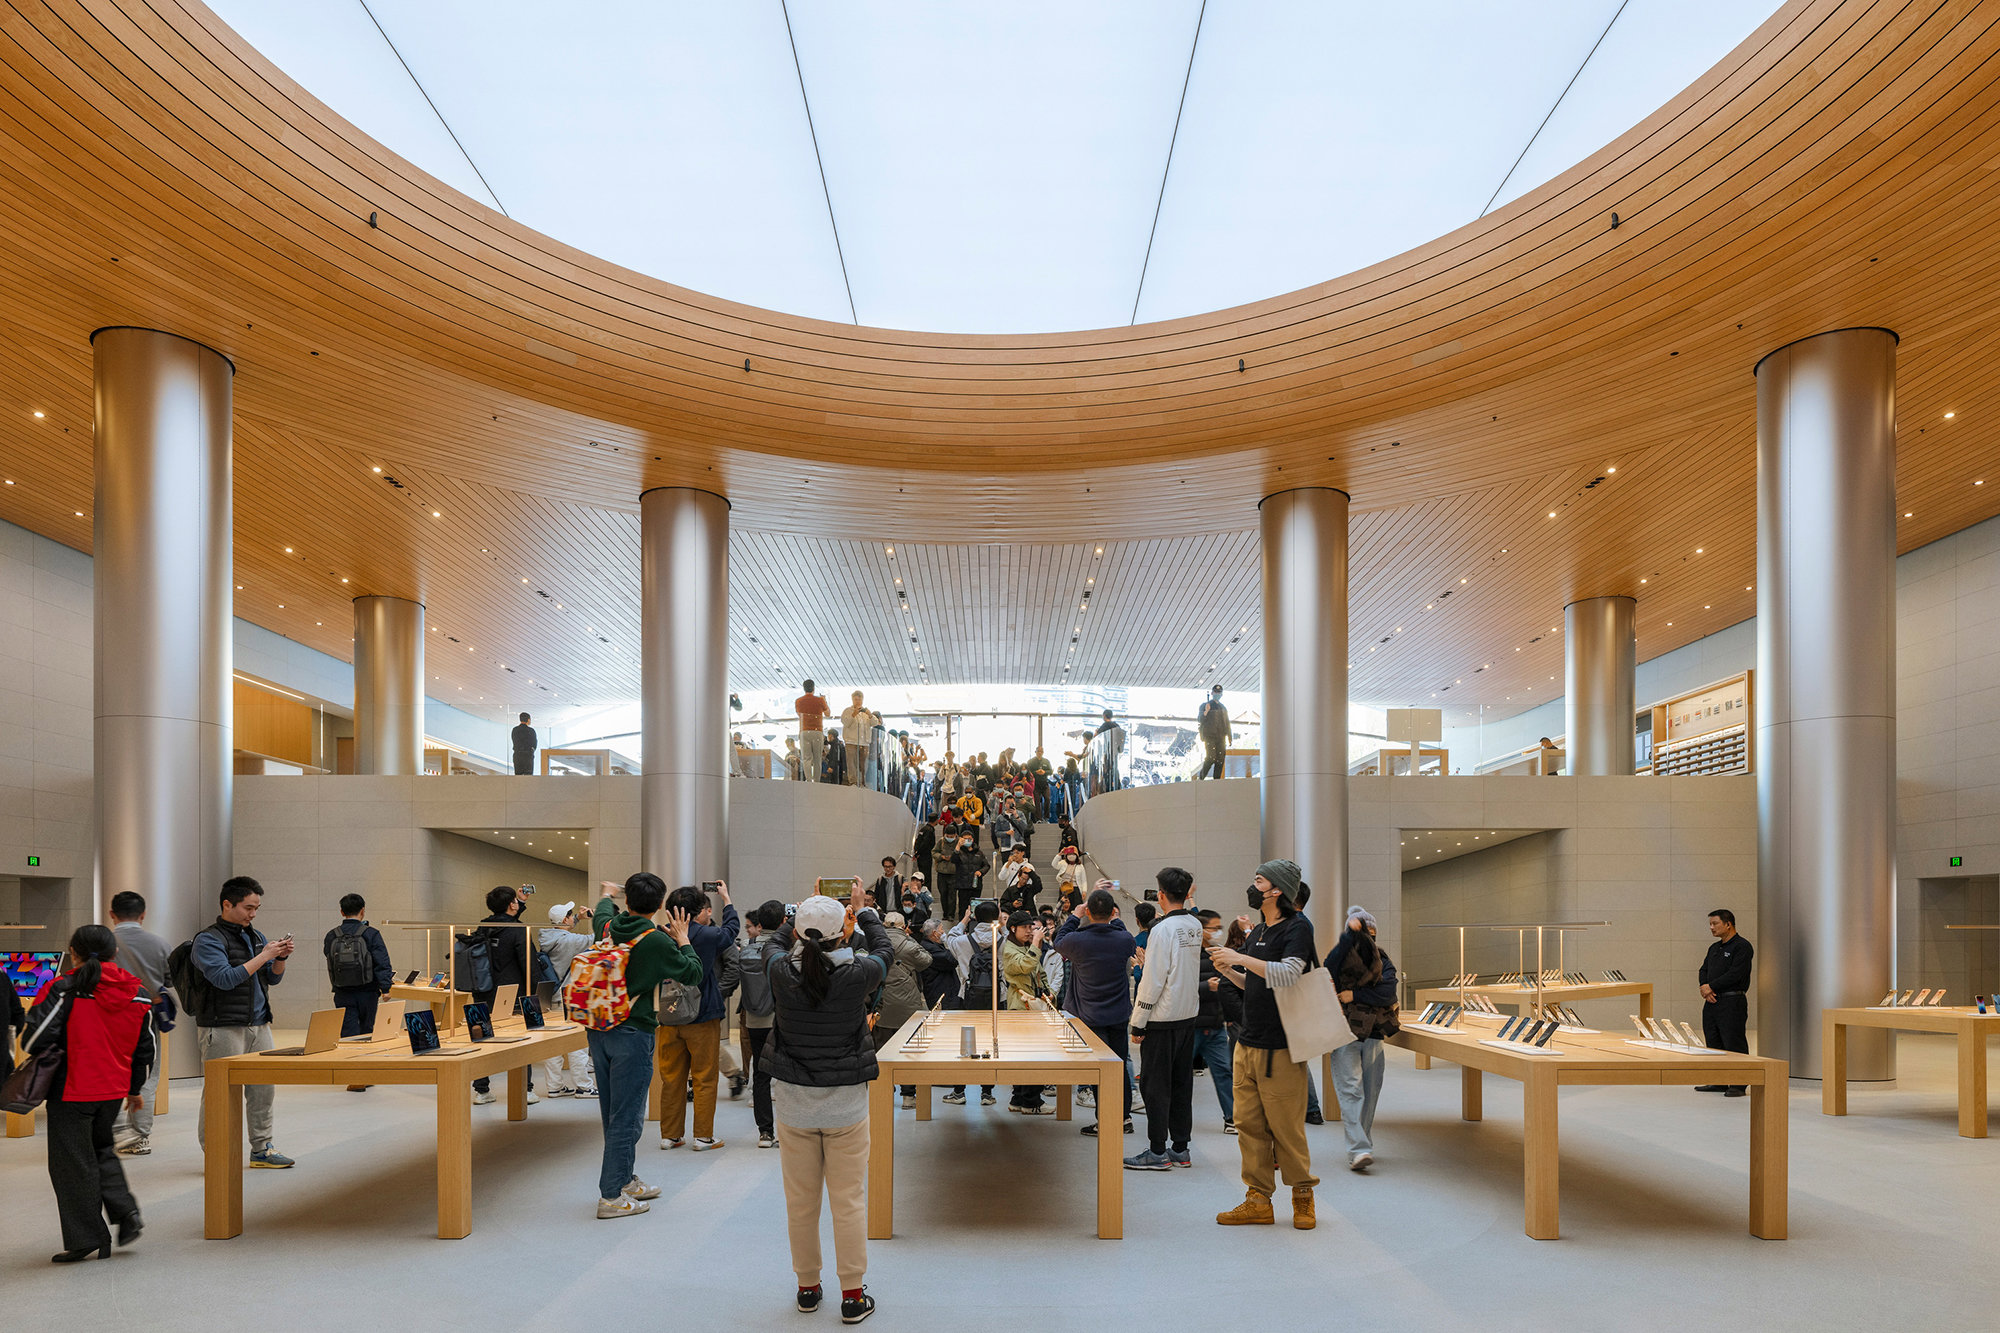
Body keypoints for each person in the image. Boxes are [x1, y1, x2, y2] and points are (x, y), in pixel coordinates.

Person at [766, 893, 891, 1322]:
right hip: (846, 1107)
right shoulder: (858, 974)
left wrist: (791, 920)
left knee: (800, 1203)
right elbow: (885, 949)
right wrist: (869, 913)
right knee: (849, 1202)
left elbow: (772, 945)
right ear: (846, 930)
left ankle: (806, 1288)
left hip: (794, 1106)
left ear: (799, 932)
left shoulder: (781, 971)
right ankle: (853, 1296)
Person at [22, 924, 154, 1263]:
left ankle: (86, 1238)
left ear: (73, 952)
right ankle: (126, 1213)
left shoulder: (64, 989)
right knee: (102, 1151)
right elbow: (145, 1049)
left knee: (71, 1165)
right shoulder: (137, 993)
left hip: (72, 1089)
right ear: (115, 954)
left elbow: (34, 1040)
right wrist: (134, 1089)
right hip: (111, 1091)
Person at [1206, 859, 1319, 1230]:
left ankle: (1302, 1196)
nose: (1253, 888)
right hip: (1247, 1042)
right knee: (1248, 1125)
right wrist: (1230, 971)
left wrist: (1240, 957)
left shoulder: (1297, 928)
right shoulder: (1257, 932)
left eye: (1259, 881)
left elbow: (1288, 974)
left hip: (1281, 1047)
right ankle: (1258, 1199)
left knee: (1286, 1127)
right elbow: (1255, 984)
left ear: (1278, 890)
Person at [587, 872, 702, 1219]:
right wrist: (683, 938)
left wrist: (607, 894)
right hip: (633, 1033)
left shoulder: (609, 928)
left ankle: (623, 1180)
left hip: (600, 1028)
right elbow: (693, 973)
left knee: (614, 1111)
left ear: (627, 900)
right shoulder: (655, 941)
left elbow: (601, 912)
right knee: (628, 1116)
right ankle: (610, 1196)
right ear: (660, 905)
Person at [189, 875, 295, 1168]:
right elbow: (224, 979)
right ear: (227, 904)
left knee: (263, 1089)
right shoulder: (207, 940)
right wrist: (264, 956)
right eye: (248, 907)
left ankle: (262, 1149)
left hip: (259, 1024)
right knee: (220, 1092)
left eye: (256, 908)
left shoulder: (256, 936)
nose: (253, 914)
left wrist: (279, 958)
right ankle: (217, 1154)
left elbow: (270, 979)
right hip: (222, 1026)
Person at [1126, 868, 1203, 1170]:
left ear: (1160, 895)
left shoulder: (1161, 930)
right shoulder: (1194, 924)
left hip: (1162, 1017)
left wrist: (1138, 1022)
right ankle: (1180, 1148)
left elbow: (1154, 980)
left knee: (1154, 1086)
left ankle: (1157, 1151)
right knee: (1182, 1084)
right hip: (1187, 1015)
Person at [658, 880, 741, 1150]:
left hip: (669, 1016)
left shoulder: (660, 935)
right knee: (704, 1076)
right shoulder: (706, 935)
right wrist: (726, 899)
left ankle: (670, 1135)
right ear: (697, 911)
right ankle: (703, 1136)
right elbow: (731, 931)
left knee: (671, 1077)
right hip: (702, 1015)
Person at [1048, 886, 1138, 1136]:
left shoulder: (1077, 941)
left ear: (1088, 910)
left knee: (1101, 1070)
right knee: (1119, 1066)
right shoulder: (1125, 939)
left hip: (1090, 1014)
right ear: (1112, 912)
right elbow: (1121, 930)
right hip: (1118, 1013)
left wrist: (1075, 916)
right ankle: (1123, 1117)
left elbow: (1058, 941)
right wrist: (1116, 919)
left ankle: (1107, 1120)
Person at [1328, 906, 1399, 1171]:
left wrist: (1353, 995)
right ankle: (1358, 1149)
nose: (1369, 938)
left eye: (1371, 933)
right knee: (1350, 1091)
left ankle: (1362, 1143)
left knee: (1370, 1091)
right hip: (1344, 1032)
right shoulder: (1339, 958)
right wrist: (1349, 936)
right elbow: (1328, 968)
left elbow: (1388, 993)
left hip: (1374, 1033)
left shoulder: (1383, 959)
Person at [106, 891, 169, 1157]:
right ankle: (139, 1138)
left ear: (112, 915)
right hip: (146, 1017)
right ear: (143, 915)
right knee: (147, 1076)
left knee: (108, 1075)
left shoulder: (104, 942)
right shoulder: (159, 943)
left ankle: (112, 1132)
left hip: (107, 1019)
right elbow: (170, 979)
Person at [322, 893, 394, 1093]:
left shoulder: (332, 935)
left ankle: (354, 1077)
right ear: (363, 910)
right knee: (367, 1031)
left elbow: (329, 956)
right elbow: (382, 962)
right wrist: (385, 987)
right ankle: (365, 1074)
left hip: (342, 991)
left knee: (348, 1033)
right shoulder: (371, 933)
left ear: (342, 912)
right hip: (368, 991)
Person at [471, 886, 533, 1106]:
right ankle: (524, 1089)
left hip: (482, 989)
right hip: (512, 992)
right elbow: (528, 963)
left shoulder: (484, 926)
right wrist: (535, 990)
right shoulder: (518, 930)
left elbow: (503, 921)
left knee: (483, 1037)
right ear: (511, 905)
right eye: (515, 901)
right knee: (521, 1038)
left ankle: (481, 1090)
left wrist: (520, 903)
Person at [942, 901, 1001, 1107]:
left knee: (964, 1045)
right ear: (998, 916)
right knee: (991, 1043)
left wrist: (964, 920)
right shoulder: (1003, 940)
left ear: (975, 917)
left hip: (967, 997)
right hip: (996, 999)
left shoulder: (962, 941)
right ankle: (987, 1093)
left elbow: (947, 938)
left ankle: (959, 1092)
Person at [738, 902, 786, 1147]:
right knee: (788, 1073)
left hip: (755, 1018)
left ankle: (765, 1133)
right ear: (782, 922)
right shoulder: (786, 948)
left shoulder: (746, 947)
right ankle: (790, 1131)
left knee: (761, 1073)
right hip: (783, 1018)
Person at [540, 901, 597, 1097]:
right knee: (578, 1043)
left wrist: (579, 918)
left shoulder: (548, 937)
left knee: (553, 1044)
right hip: (571, 996)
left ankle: (554, 1086)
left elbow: (565, 932)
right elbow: (598, 938)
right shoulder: (570, 941)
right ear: (565, 919)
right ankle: (583, 1086)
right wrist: (597, 917)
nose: (574, 916)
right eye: (571, 914)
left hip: (551, 998)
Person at [1697, 908, 1754, 1096]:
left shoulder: (1742, 946)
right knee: (1713, 1043)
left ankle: (1738, 1084)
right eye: (1710, 924)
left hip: (1732, 1001)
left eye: (1715, 924)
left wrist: (1710, 986)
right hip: (1712, 1002)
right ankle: (1719, 1081)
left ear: (1728, 924)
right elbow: (1703, 970)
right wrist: (1704, 987)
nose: (1711, 928)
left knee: (1733, 1042)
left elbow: (1735, 974)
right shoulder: (1714, 948)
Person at [1001, 911, 1051, 1115]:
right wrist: (1037, 943)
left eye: (1032, 928)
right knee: (1031, 1057)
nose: (1031, 932)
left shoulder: (1023, 946)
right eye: (1026, 928)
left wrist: (1049, 994)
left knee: (1026, 1055)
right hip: (1020, 1008)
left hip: (1033, 1005)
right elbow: (1025, 965)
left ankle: (1019, 1099)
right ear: (1013, 928)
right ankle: (1031, 1102)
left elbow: (1040, 972)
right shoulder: (1009, 950)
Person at [1193, 909, 1239, 1134]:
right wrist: (1206, 987)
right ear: (1201, 930)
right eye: (1213, 928)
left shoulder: (1221, 953)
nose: (1217, 933)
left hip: (1215, 1024)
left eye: (1220, 928)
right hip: (1191, 1024)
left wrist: (1228, 1016)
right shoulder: (1188, 953)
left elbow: (1230, 985)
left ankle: (1232, 1118)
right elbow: (1178, 985)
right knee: (1180, 1075)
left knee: (1224, 1071)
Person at [1196, 684, 1233, 780]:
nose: (1217, 694)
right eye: (1216, 692)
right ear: (1212, 693)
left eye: (1219, 692)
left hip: (1221, 737)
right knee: (1211, 757)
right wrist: (1206, 712)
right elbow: (1200, 719)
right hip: (1210, 736)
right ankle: (1201, 777)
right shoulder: (1205, 705)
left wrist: (1230, 736)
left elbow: (1227, 723)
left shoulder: (1223, 708)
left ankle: (1216, 780)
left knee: (1220, 759)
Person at [796, 680, 830, 782]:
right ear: (814, 688)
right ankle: (816, 781)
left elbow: (799, 715)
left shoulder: (798, 701)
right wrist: (825, 701)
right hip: (817, 730)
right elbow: (828, 713)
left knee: (806, 758)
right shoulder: (820, 700)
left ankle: (808, 779)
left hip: (804, 730)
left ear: (804, 688)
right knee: (817, 759)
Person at [841, 691, 873, 788]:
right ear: (852, 700)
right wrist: (853, 714)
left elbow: (875, 723)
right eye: (856, 699)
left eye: (859, 699)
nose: (858, 701)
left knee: (863, 764)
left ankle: (863, 782)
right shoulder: (847, 710)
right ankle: (853, 782)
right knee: (852, 762)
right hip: (851, 741)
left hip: (864, 742)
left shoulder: (865, 712)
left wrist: (870, 714)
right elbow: (845, 722)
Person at [913, 817, 936, 889]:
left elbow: (917, 841)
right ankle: (926, 895)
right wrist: (918, 853)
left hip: (920, 855)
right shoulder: (929, 830)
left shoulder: (923, 829)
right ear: (936, 820)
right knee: (926, 877)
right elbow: (925, 843)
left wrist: (916, 852)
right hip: (925, 855)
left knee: (922, 876)